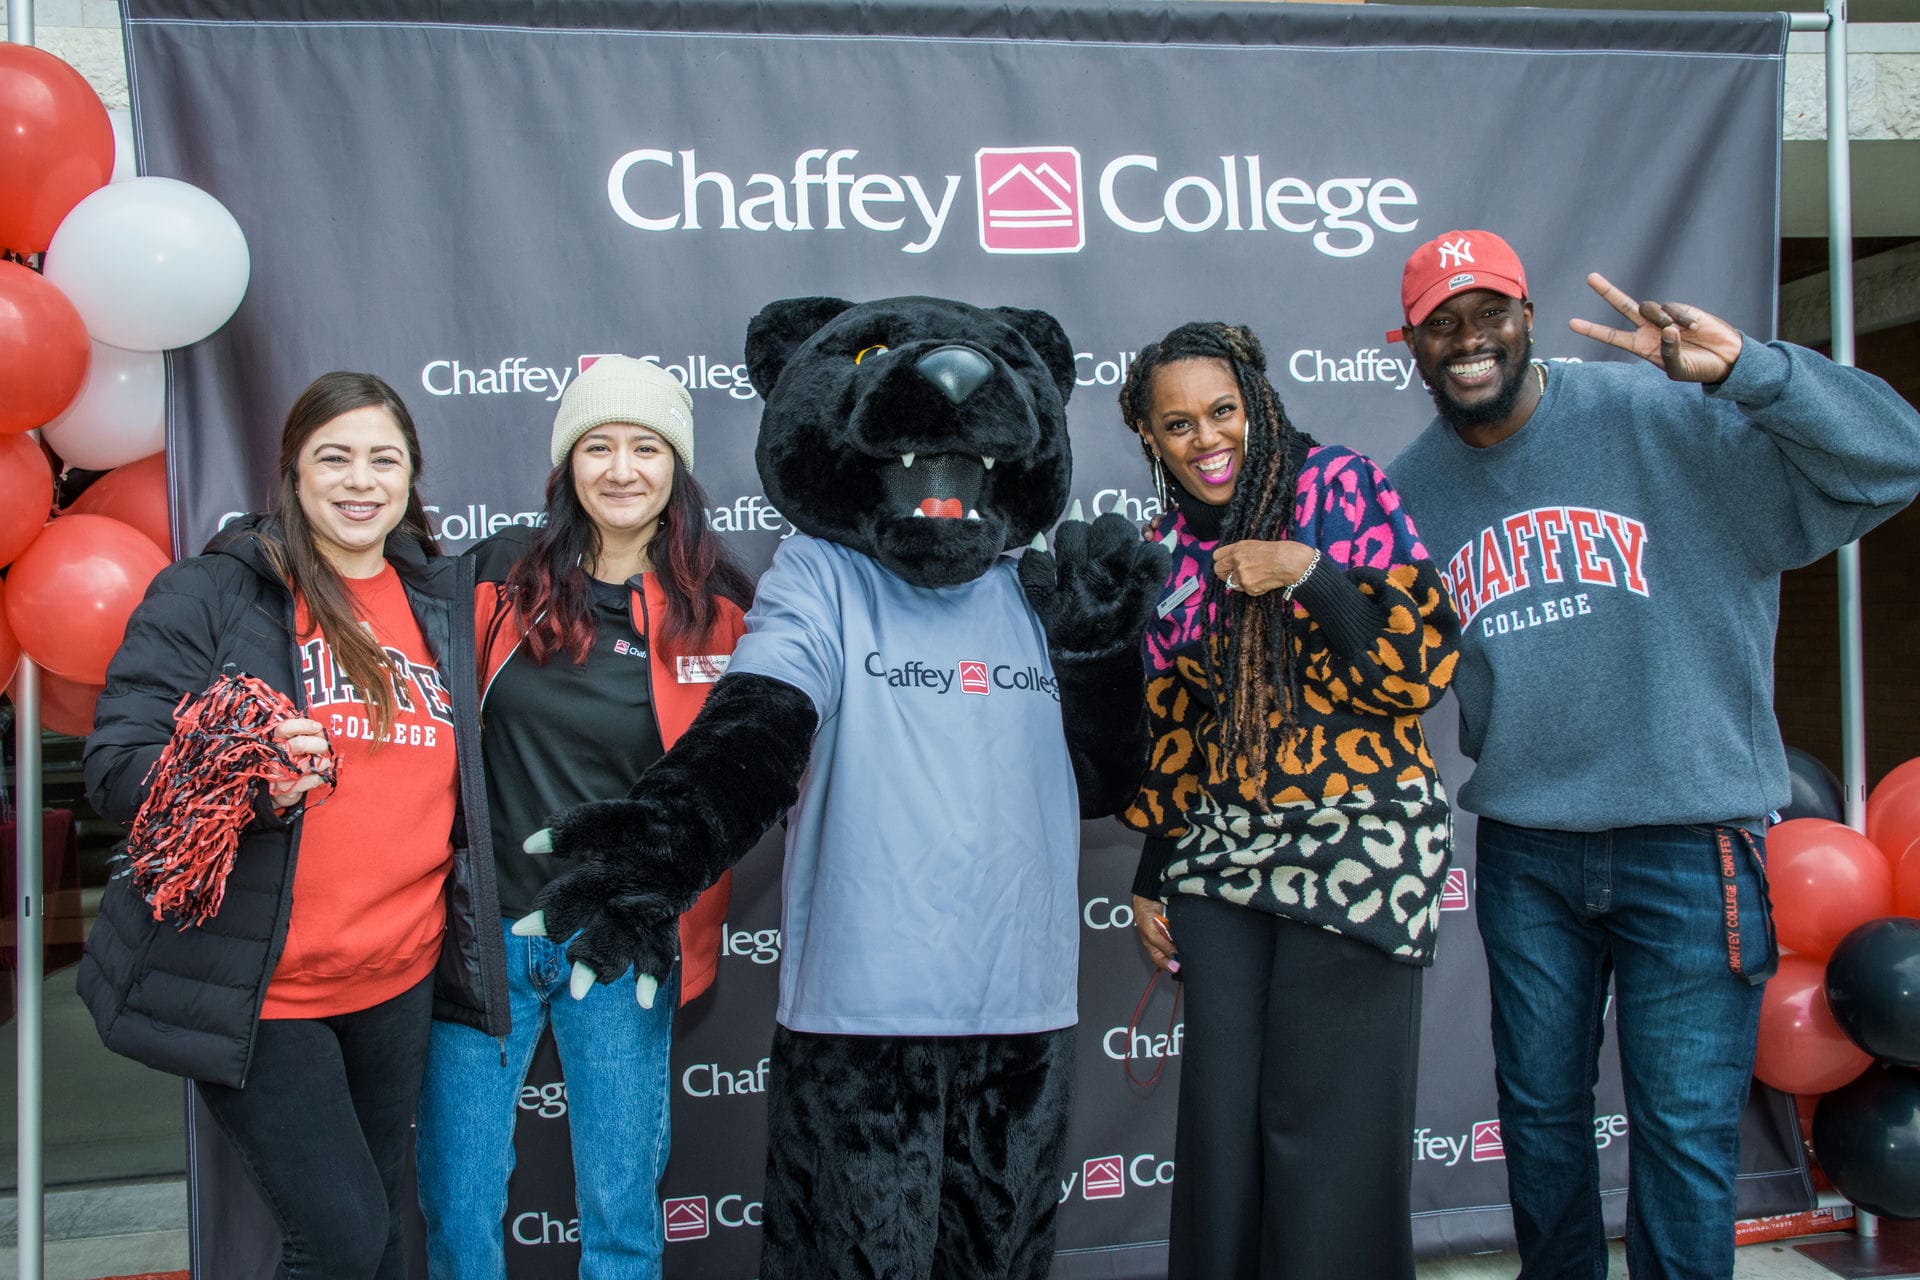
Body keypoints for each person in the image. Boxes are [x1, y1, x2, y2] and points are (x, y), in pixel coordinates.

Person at [1383, 228, 1920, 1280]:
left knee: (1682, 1137)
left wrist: (1754, 373)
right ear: (1409, 344)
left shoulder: (1666, 418)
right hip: (1530, 849)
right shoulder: (1413, 492)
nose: (1469, 338)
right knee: (1539, 1126)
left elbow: (1895, 454)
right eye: (1441, 322)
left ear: (1528, 315)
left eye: (1488, 309)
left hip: (1690, 837)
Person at [78, 372, 504, 1279]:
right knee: (341, 1243)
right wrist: (243, 769)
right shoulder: (213, 593)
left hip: (397, 981)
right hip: (265, 991)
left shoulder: (437, 603)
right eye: (335, 457)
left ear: (412, 476)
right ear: (294, 474)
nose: (361, 480)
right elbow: (117, 768)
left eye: (384, 459)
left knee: (383, 1230)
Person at [1118, 321, 1461, 1280]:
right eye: (1177, 423)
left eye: (1222, 411)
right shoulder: (1165, 548)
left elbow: (1422, 666)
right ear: (1149, 438)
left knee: (1330, 1133)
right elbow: (1177, 731)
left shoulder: (1338, 486)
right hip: (1220, 857)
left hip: (1358, 845)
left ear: (1258, 404)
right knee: (1224, 1127)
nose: (1205, 439)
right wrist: (1155, 876)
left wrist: (1309, 575)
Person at [414, 354, 753, 1279]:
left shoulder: (720, 608)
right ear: (567, 464)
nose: (621, 468)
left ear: (675, 467)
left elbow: (748, 775)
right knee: (461, 1208)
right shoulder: (492, 583)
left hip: (619, 947)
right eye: (598, 446)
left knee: (620, 1214)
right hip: (483, 943)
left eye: (646, 447)